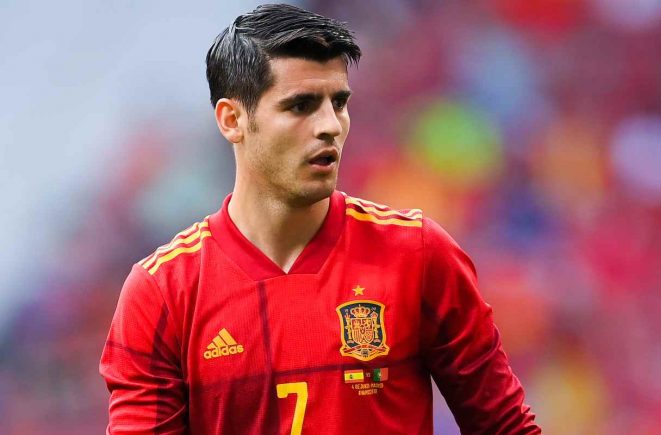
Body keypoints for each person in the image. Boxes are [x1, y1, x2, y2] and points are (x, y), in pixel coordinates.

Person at [99, 4, 540, 434]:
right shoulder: (163, 293)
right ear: (232, 120)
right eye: (301, 106)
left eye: (339, 102)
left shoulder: (417, 253)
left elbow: (504, 426)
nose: (330, 125)